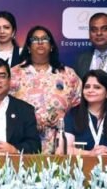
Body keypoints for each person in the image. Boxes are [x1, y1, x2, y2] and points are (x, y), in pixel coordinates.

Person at [9, 26, 82, 154]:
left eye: (44, 39)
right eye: (35, 39)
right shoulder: (14, 74)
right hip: (22, 141)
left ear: (51, 46)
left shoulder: (68, 75)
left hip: (59, 142)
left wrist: (64, 121)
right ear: (28, 47)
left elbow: (80, 107)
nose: (40, 42)